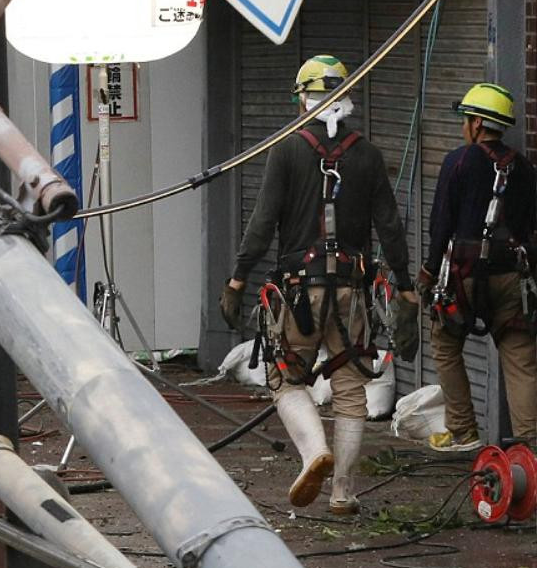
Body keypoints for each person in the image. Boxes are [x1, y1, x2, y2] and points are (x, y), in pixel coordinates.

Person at [219, 55, 419, 514]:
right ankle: (343, 492)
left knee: (285, 379)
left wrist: (237, 278)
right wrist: (406, 289)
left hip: (299, 293)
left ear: (302, 98)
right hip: (352, 294)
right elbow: (390, 227)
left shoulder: (287, 150)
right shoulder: (367, 155)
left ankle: (314, 454)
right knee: (351, 389)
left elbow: (264, 222)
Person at [417, 83, 536, 451]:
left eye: (465, 120)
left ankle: (462, 429)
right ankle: (530, 449)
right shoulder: (525, 167)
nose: (463, 127)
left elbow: (441, 224)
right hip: (510, 278)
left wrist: (427, 271)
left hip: (463, 278)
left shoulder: (459, 161)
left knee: (445, 341)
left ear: (477, 123)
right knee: (520, 358)